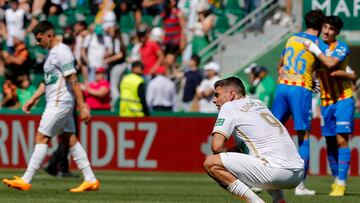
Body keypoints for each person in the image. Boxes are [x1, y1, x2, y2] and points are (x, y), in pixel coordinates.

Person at [2, 21, 99, 192]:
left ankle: (26, 179)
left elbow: (74, 80)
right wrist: (33, 99)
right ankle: (90, 179)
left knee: (41, 138)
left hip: (59, 102)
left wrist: (82, 106)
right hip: (58, 100)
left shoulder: (62, 52)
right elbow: (48, 80)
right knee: (69, 138)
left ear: (50, 35)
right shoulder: (53, 53)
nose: (38, 43)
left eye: (40, 39)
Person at [204, 76, 304, 203]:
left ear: (231, 95)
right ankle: (279, 200)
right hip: (298, 173)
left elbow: (216, 147)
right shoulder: (259, 103)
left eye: (217, 95)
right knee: (260, 156)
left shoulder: (229, 106)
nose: (214, 100)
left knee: (211, 163)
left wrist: (225, 156)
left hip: (275, 171)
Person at [271, 9, 324, 195]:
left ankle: (260, 179)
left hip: (282, 86)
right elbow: (324, 66)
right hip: (300, 88)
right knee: (304, 135)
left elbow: (280, 66)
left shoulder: (292, 39)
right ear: (321, 26)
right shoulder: (317, 43)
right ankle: (300, 186)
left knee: (270, 131)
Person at [304, 16, 356, 196]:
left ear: (337, 33)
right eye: (325, 27)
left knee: (342, 140)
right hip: (325, 102)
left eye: (331, 29)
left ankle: (341, 182)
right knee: (330, 142)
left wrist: (314, 49)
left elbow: (331, 63)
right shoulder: (316, 47)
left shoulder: (340, 47)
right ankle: (336, 179)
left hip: (343, 98)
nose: (327, 31)